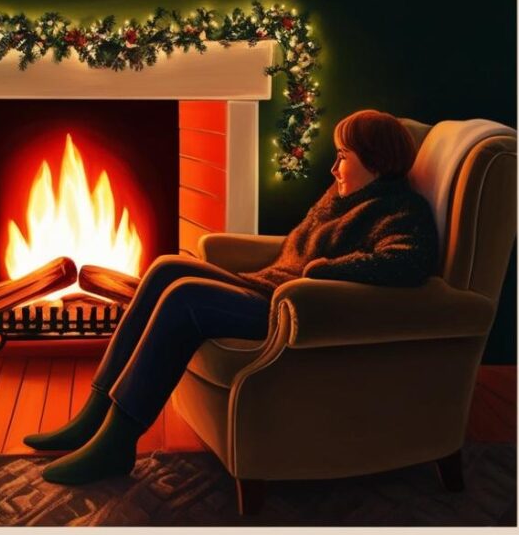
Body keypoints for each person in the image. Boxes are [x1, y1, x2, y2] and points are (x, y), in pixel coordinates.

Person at [25, 109, 439, 485]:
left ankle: (116, 443)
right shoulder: (341, 197)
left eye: (343, 156)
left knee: (184, 298)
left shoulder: (401, 210)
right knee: (166, 266)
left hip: (293, 310)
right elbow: (294, 248)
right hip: (268, 287)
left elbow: (407, 263)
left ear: (376, 160)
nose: (334, 168)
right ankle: (93, 416)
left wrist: (323, 273)